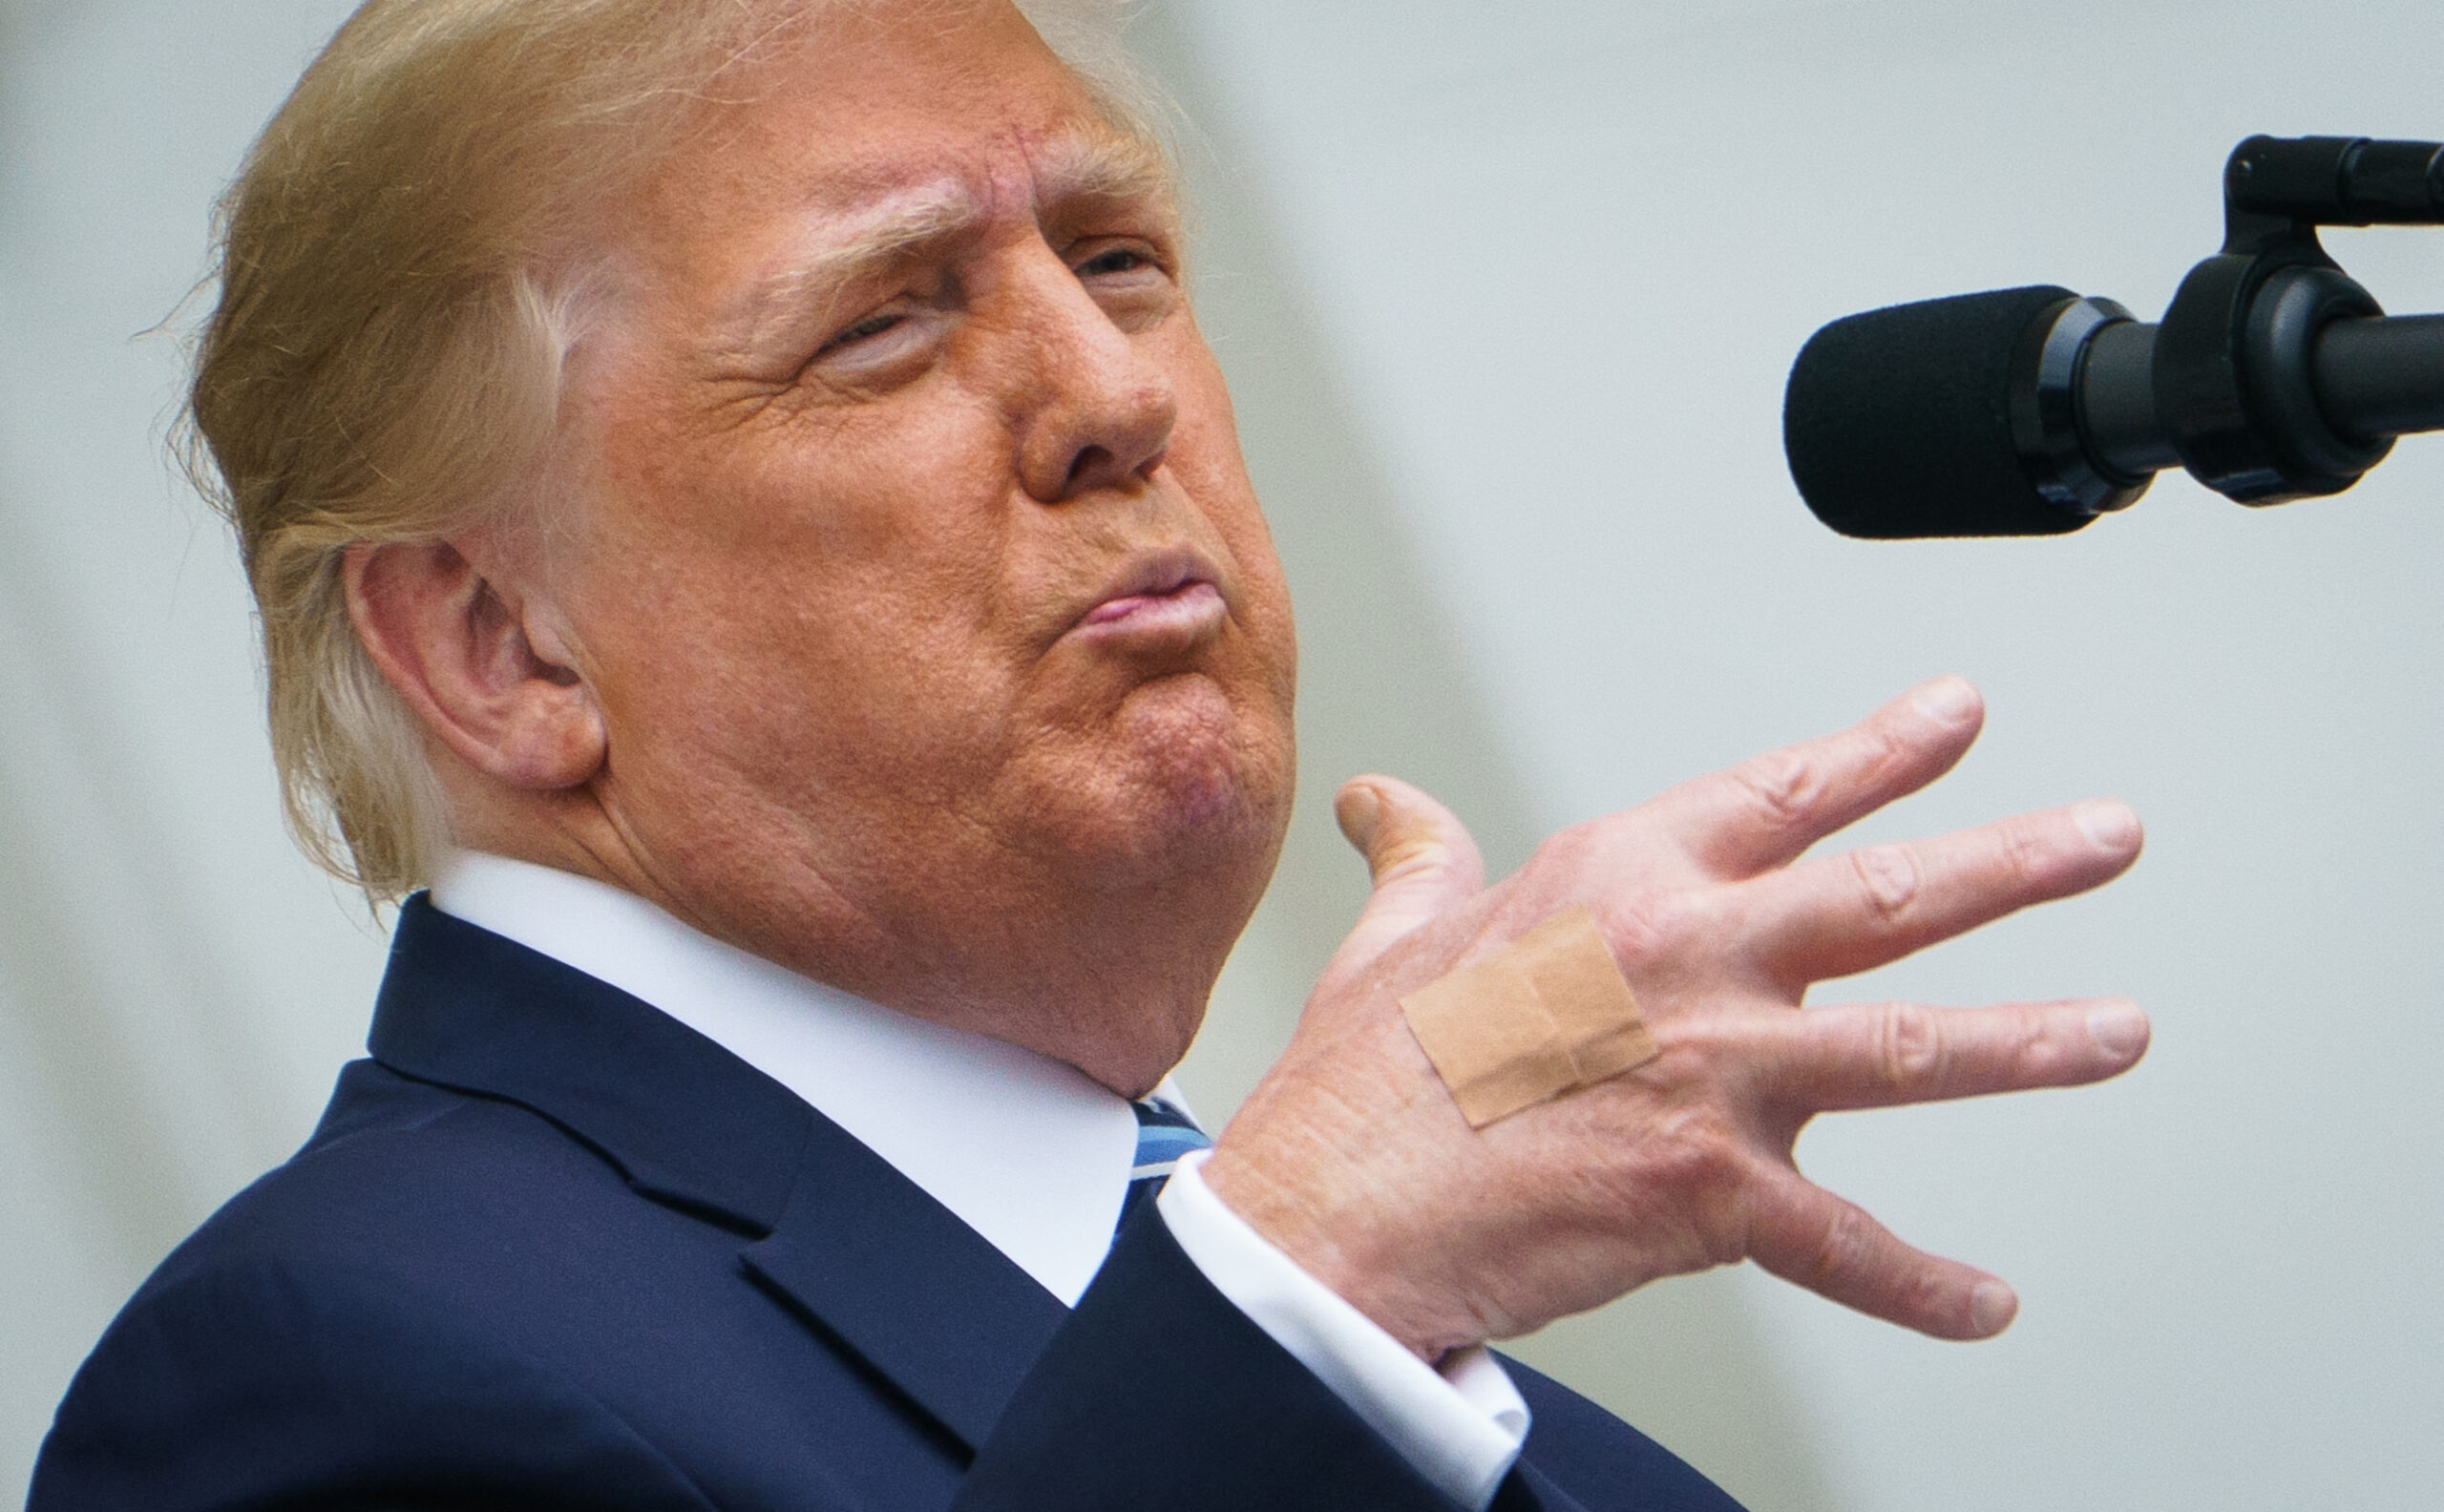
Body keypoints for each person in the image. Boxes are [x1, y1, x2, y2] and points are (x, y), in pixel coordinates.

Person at [29, 1, 2152, 1507]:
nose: (1107, 393)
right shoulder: (328, 1381)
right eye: (884, 320)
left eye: (1117, 259)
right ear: (499, 643)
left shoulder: (1507, 1434)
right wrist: (1314, 1278)